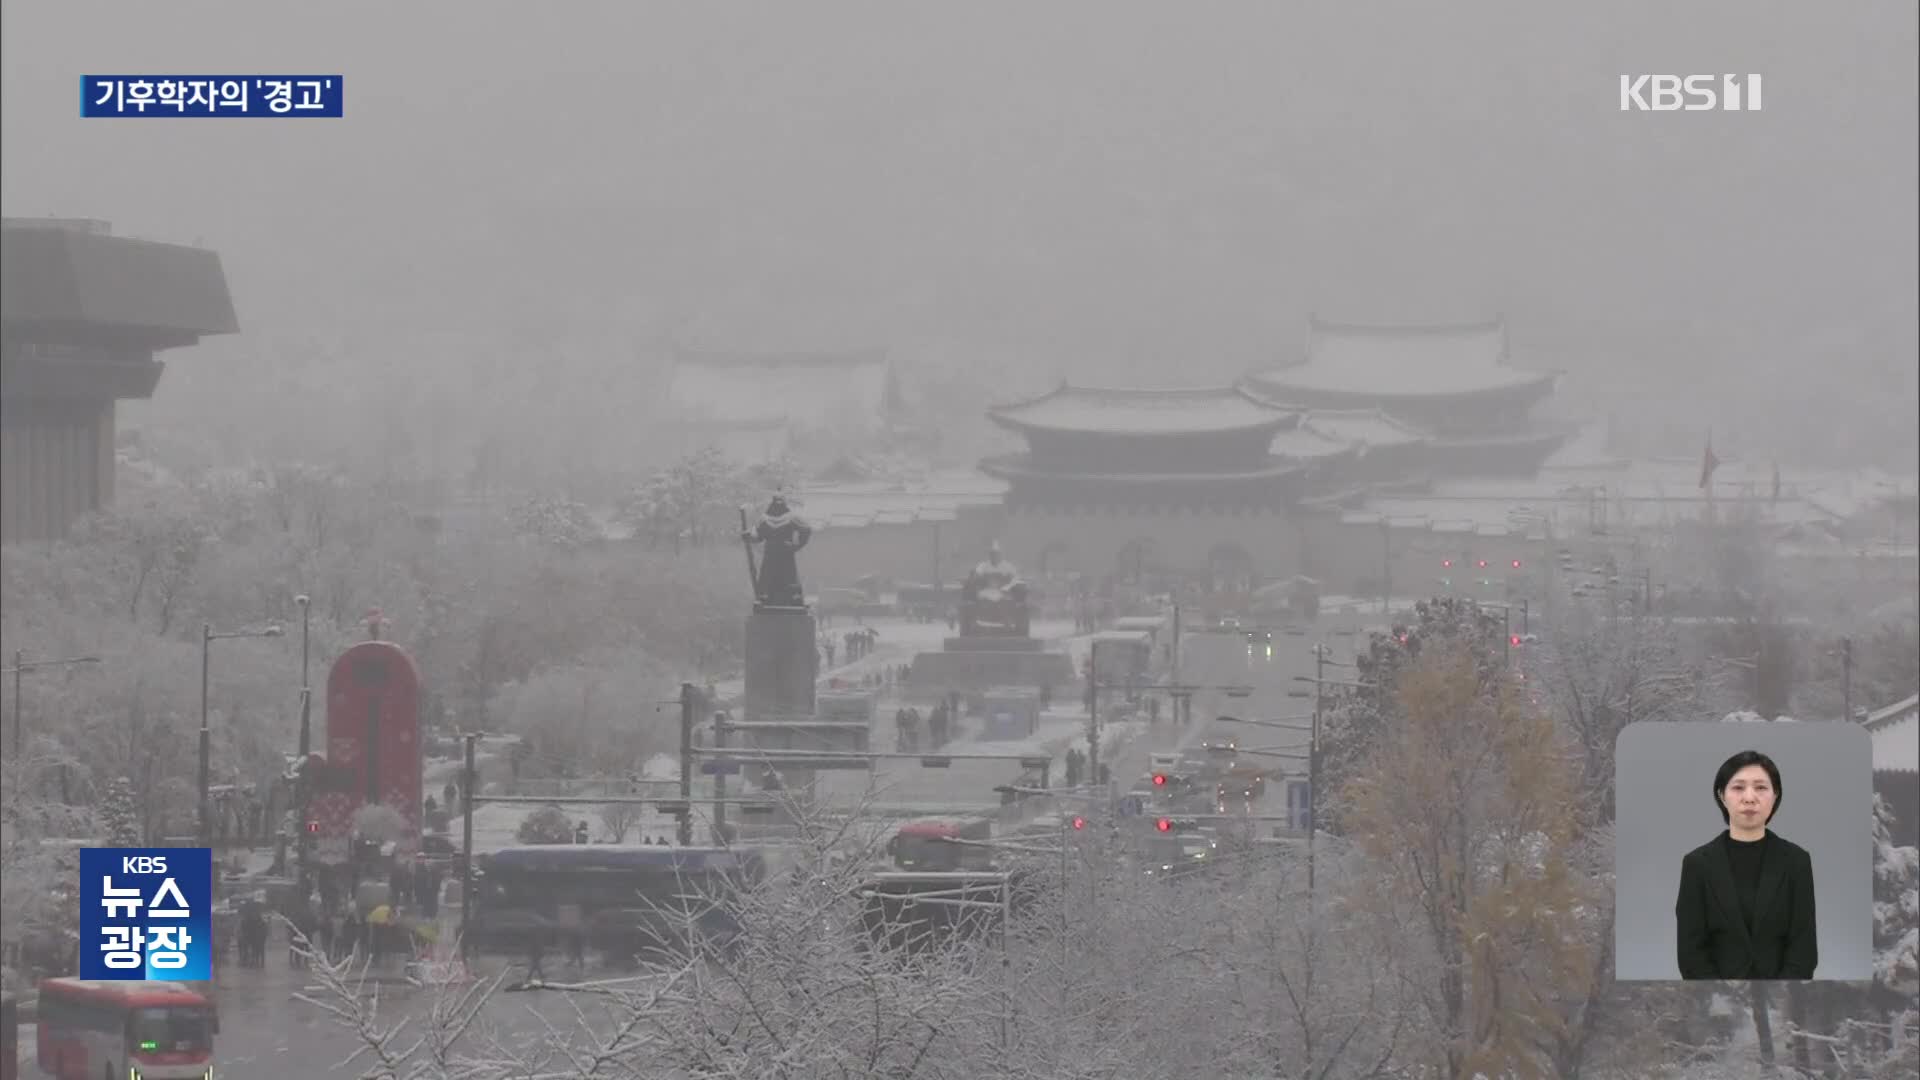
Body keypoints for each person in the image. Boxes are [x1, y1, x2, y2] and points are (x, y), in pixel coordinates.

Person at [1675, 749, 1817, 980]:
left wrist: (1778, 994)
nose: (1749, 797)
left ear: (1776, 794)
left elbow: (1804, 949)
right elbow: (1691, 953)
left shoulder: (1796, 861)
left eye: (1761, 787)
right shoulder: (1697, 864)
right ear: (1722, 795)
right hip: (1716, 1001)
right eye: (1738, 787)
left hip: (1782, 1001)